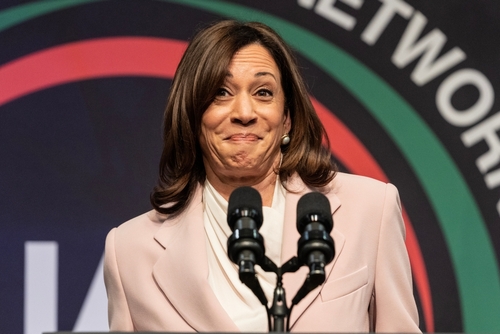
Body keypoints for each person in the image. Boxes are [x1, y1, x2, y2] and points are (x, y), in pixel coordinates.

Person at [103, 20, 420, 332]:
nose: (244, 112)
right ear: (192, 116)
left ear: (287, 119)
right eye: (221, 92)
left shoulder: (369, 209)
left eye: (264, 92)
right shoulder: (129, 252)